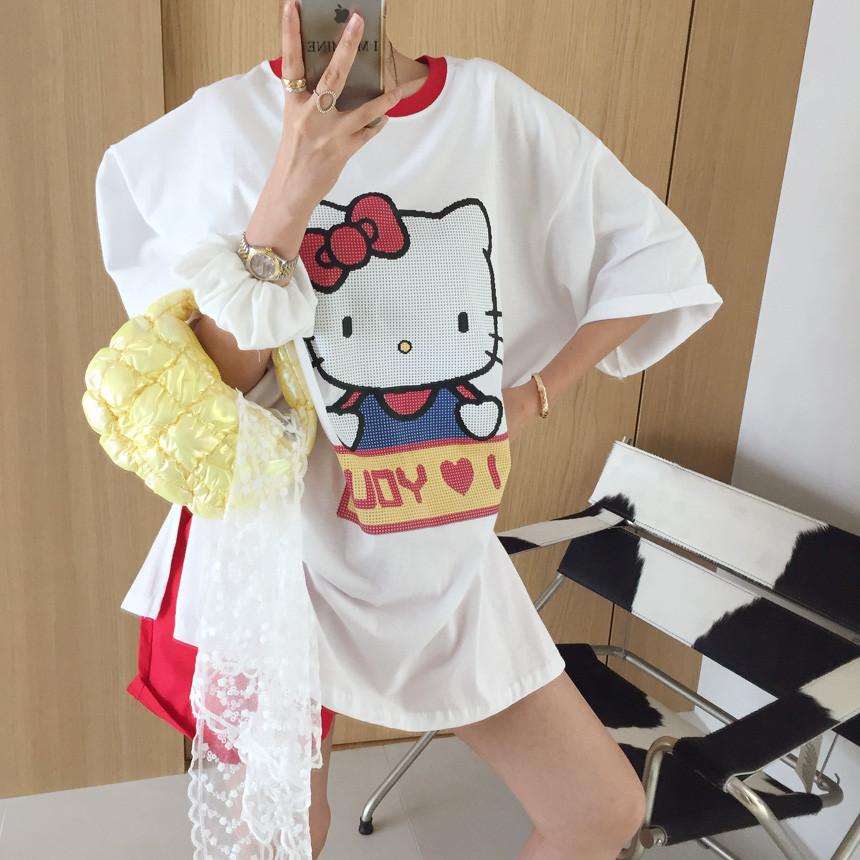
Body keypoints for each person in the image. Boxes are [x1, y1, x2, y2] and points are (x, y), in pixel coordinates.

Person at [94, 3, 722, 858]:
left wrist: (534, 395)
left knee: (600, 810)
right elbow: (219, 389)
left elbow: (655, 259)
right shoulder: (213, 130)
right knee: (279, 832)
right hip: (279, 550)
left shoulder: (492, 111)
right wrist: (291, 187)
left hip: (436, 542)